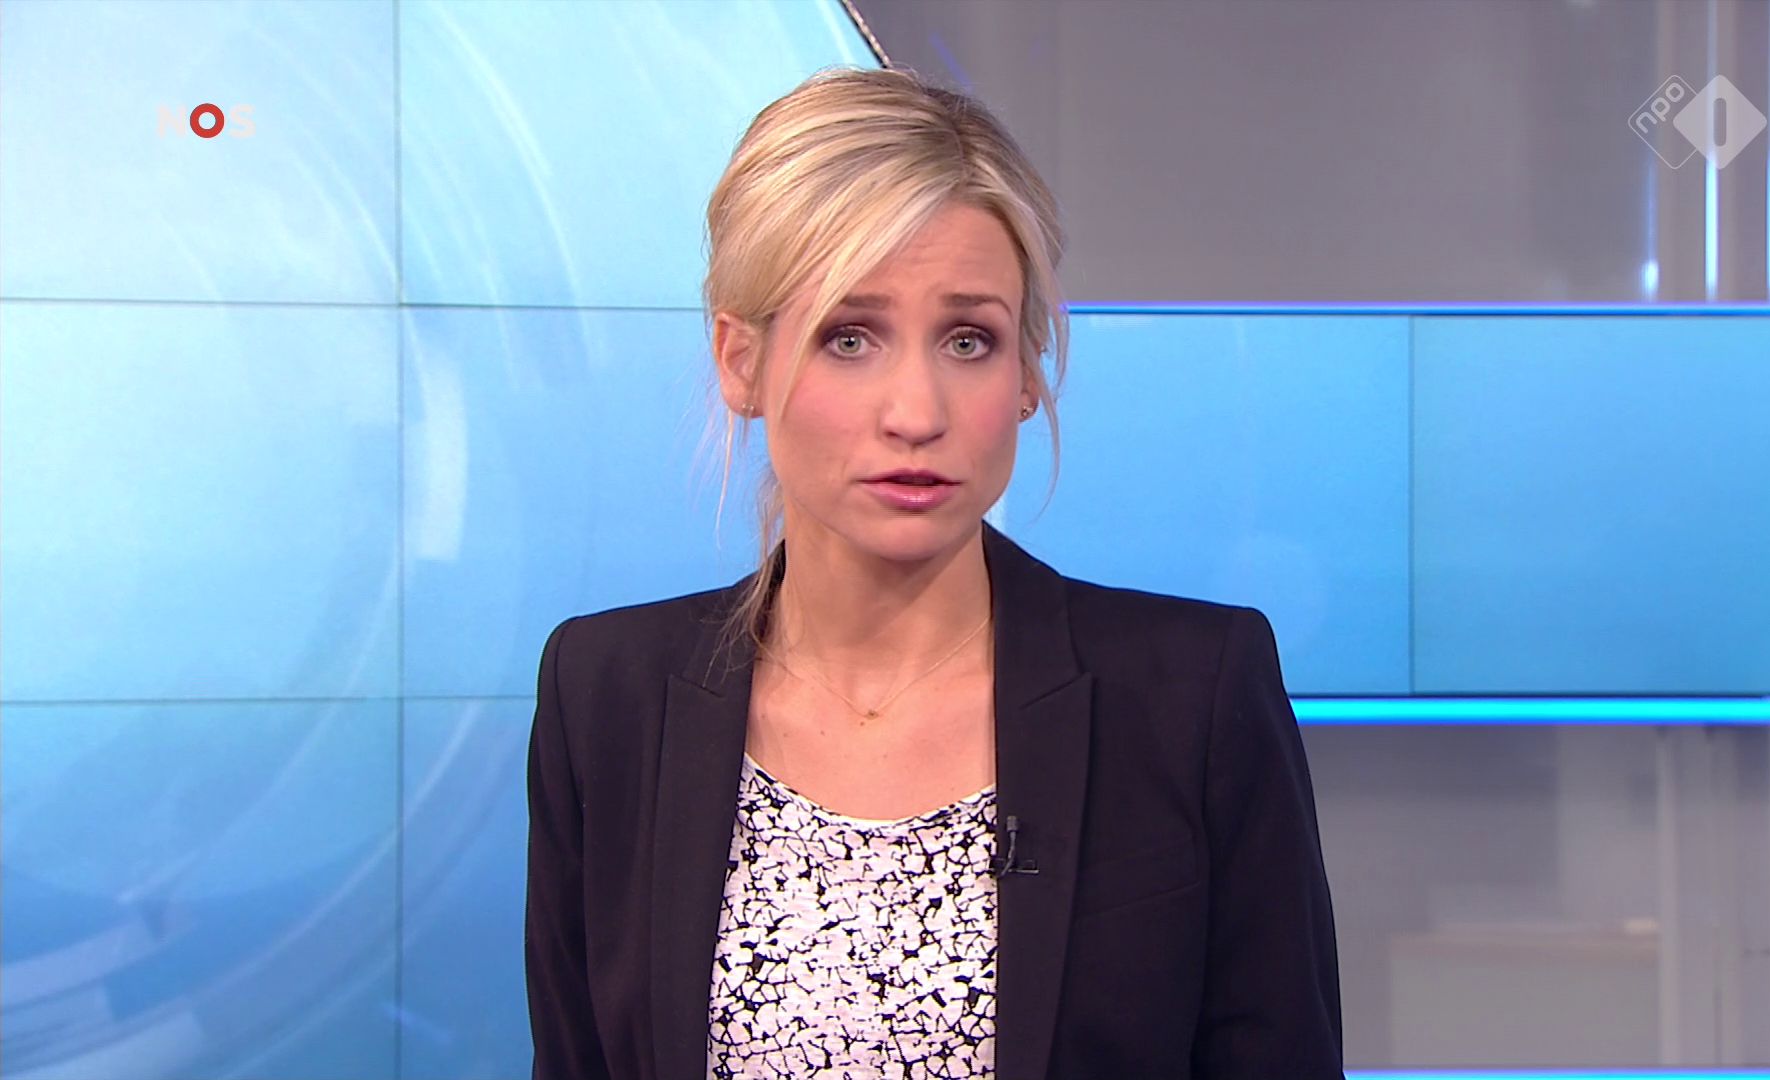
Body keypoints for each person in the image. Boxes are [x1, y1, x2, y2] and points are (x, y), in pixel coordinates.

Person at [524, 66, 1341, 1080]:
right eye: (849, 337)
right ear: (740, 360)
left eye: (968, 339)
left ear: (1027, 373)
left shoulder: (1193, 696)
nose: (916, 412)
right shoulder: (606, 694)